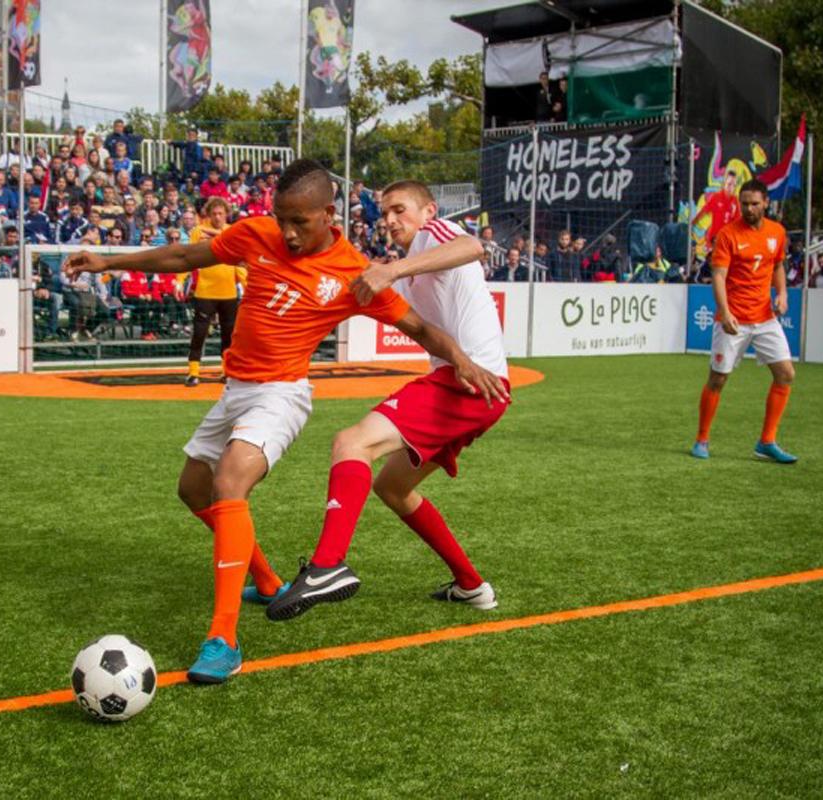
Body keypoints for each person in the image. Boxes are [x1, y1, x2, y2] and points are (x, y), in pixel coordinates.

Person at [64, 159, 500, 685]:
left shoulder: (350, 271)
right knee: (194, 491)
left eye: (300, 222)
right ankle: (268, 581)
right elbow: (184, 254)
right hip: (235, 392)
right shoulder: (255, 233)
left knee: (232, 481)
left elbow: (421, 328)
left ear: (328, 214)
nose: (288, 234)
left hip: (281, 395)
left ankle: (223, 639)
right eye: (282, 219)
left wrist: (462, 358)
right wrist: (108, 262)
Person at [265, 180, 509, 621]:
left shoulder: (434, 236)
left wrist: (392, 271)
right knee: (393, 488)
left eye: (400, 210)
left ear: (429, 211)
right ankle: (472, 586)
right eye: (385, 213)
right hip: (474, 388)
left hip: (467, 385)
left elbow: (473, 245)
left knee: (350, 443)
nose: (390, 220)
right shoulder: (412, 267)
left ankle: (326, 566)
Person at [692, 179, 797, 464]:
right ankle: (702, 438)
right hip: (734, 318)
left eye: (754, 203)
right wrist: (724, 312)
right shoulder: (727, 234)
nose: (748, 209)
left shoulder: (777, 232)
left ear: (766, 203)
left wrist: (783, 294)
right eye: (744, 203)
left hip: (765, 318)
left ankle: (767, 441)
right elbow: (718, 276)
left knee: (786, 374)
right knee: (718, 378)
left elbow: (777, 265)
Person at [184, 197, 245, 387]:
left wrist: (246, 283)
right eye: (214, 214)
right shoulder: (198, 231)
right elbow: (188, 257)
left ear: (226, 214)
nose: (218, 217)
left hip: (228, 291)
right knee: (200, 333)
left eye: (221, 213)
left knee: (228, 334)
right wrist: (180, 279)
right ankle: (193, 372)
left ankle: (227, 372)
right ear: (208, 215)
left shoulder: (233, 232)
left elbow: (239, 263)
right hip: (205, 290)